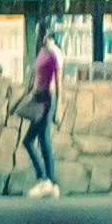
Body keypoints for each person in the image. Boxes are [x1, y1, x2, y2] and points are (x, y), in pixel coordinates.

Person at [18, 29, 65, 197]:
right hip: (38, 98)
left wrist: (59, 106)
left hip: (47, 99)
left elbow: (58, 82)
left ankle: (47, 180)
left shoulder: (55, 54)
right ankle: (49, 181)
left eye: (43, 35)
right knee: (33, 141)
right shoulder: (42, 53)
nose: (41, 37)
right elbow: (34, 80)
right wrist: (21, 100)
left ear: (49, 37)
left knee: (39, 140)